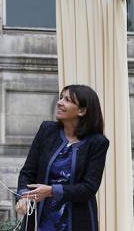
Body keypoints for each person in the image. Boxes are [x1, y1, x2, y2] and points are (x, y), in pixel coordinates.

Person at [16, 84, 109, 231]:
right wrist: (23, 197)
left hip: (77, 221)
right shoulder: (47, 130)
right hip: (39, 221)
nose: (59, 102)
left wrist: (52, 191)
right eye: (61, 98)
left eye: (67, 100)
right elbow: (27, 172)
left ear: (82, 111)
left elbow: (89, 188)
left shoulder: (97, 143)